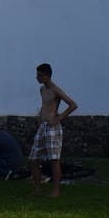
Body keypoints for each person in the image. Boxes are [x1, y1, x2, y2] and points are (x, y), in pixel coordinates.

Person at [29, 62, 78, 197]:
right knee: (33, 158)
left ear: (46, 76)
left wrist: (59, 117)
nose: (37, 77)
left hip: (52, 128)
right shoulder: (42, 90)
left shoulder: (55, 90)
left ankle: (56, 190)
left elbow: (72, 105)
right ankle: (37, 189)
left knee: (54, 159)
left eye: (39, 75)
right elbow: (44, 106)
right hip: (42, 126)